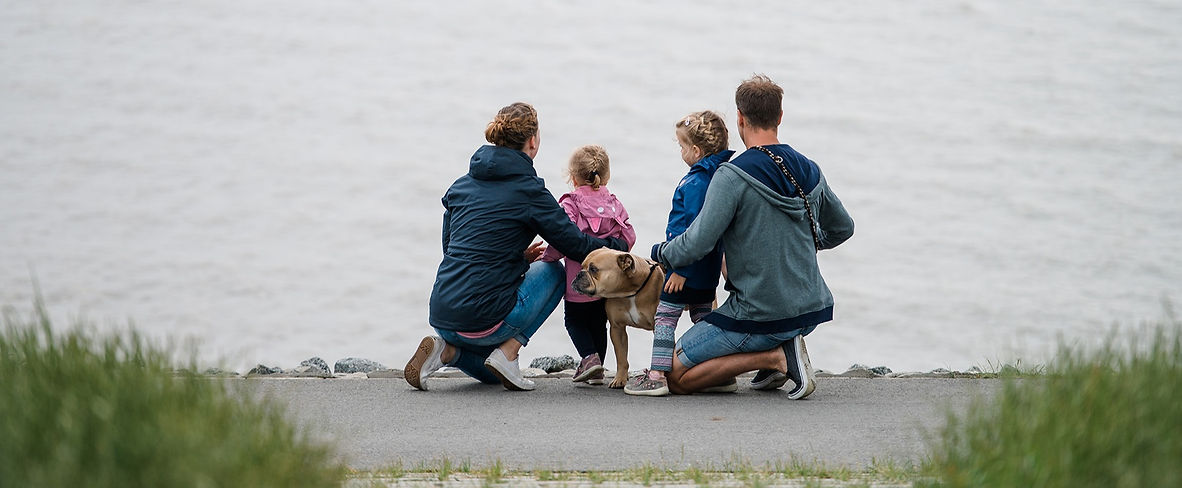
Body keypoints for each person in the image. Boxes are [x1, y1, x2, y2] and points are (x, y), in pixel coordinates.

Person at [650, 75, 855, 398]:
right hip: (809, 309)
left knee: (675, 375)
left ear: (740, 118)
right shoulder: (810, 168)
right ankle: (778, 353)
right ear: (780, 117)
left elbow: (697, 244)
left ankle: (775, 358)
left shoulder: (731, 175)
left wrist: (660, 252)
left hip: (759, 314)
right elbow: (843, 228)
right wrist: (798, 244)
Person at [405, 102, 629, 392]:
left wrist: (517, 257)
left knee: (490, 375)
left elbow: (452, 247)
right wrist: (615, 246)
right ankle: (510, 350)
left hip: (442, 313)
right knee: (554, 271)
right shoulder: (530, 191)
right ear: (533, 141)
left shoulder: (460, 186)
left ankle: (445, 350)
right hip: (486, 318)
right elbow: (574, 244)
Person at [624, 111, 734, 397]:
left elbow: (694, 232)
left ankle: (658, 374)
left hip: (686, 268)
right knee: (703, 318)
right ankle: (717, 373)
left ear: (696, 151)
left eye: (682, 147)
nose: (681, 152)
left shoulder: (696, 183)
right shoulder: (721, 178)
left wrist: (679, 269)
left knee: (665, 317)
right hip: (707, 271)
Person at [539, 145, 636, 386]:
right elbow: (629, 237)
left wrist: (547, 258)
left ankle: (590, 358)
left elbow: (562, 238)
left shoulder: (570, 204)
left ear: (572, 178)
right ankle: (598, 367)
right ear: (606, 176)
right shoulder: (614, 204)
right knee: (598, 323)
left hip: (579, 283)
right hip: (607, 286)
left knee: (573, 320)